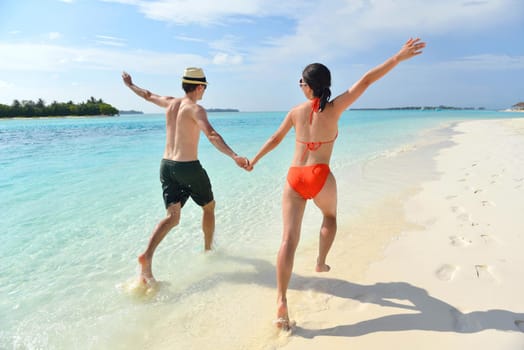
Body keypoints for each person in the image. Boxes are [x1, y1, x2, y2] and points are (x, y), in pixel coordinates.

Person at [246, 38, 426, 330]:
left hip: (294, 177)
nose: (299, 85)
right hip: (320, 176)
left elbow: (274, 140)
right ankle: (320, 261)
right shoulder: (336, 107)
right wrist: (397, 57)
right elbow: (366, 81)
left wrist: (254, 160)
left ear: (308, 85)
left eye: (301, 81)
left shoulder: (295, 112)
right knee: (329, 216)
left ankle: (281, 300)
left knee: (287, 241)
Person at [122, 67, 249, 284]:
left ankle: (147, 256)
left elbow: (148, 95)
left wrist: (130, 85)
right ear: (199, 86)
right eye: (204, 88)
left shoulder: (170, 103)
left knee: (173, 217)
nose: (204, 92)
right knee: (209, 206)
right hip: (187, 167)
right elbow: (211, 134)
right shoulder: (195, 109)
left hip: (166, 166)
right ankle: (208, 250)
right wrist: (234, 156)